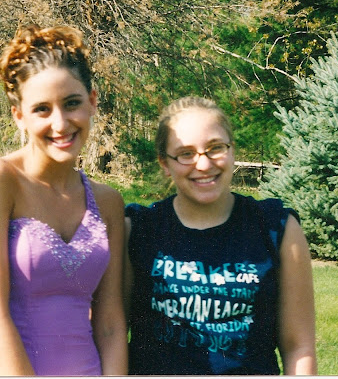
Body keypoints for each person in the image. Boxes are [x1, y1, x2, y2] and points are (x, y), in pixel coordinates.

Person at [0, 25, 127, 376]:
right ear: (19, 115)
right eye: (42, 109)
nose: (60, 124)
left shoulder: (108, 202)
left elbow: (110, 323)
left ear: (93, 101)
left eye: (72, 103)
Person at [124, 96, 317, 375]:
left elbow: (299, 347)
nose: (203, 165)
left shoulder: (276, 229)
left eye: (215, 148)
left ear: (232, 150)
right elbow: (111, 332)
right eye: (186, 153)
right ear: (165, 163)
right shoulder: (139, 229)